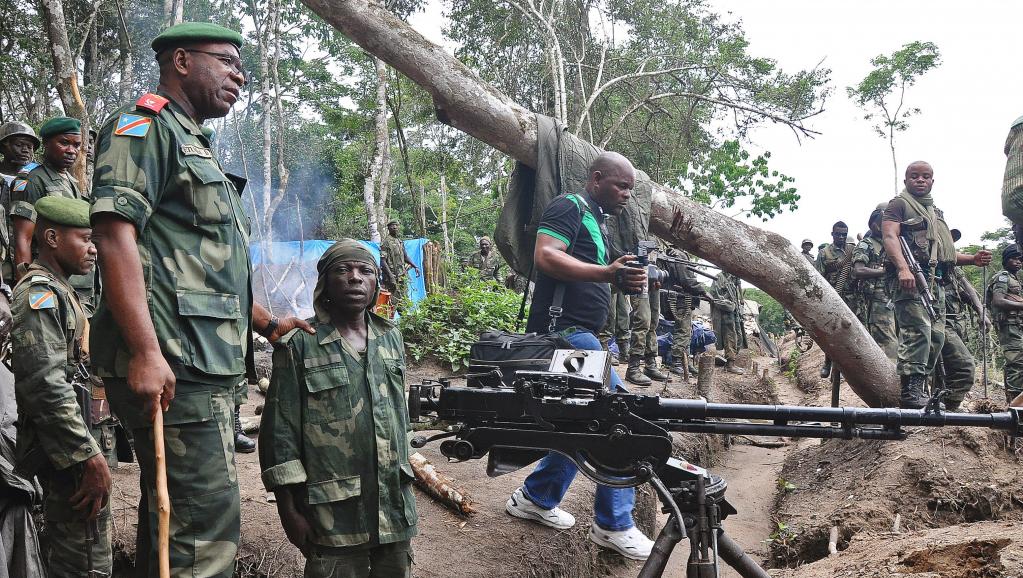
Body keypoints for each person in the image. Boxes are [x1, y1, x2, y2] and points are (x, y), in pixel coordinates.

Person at [89, 22, 312, 576]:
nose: (239, 76)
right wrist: (145, 351)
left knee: (174, 520)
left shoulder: (193, 143)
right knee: (203, 528)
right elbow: (116, 234)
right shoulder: (142, 127)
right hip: (173, 360)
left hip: (199, 358)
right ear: (182, 61)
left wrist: (265, 323)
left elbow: (204, 266)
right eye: (229, 61)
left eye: (243, 69)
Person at [504, 151, 653, 560]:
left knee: (582, 421)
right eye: (621, 185)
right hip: (565, 332)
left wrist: (621, 280)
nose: (626, 194)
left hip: (584, 334)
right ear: (596, 179)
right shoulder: (570, 205)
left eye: (630, 188)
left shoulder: (599, 221)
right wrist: (607, 273)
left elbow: (586, 273)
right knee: (623, 414)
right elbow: (547, 256)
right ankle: (614, 523)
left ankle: (535, 498)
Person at [260, 239, 417, 577]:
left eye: (365, 271)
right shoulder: (300, 344)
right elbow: (279, 433)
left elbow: (399, 419)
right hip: (333, 515)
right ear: (325, 284)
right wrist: (288, 510)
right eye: (342, 270)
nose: (355, 278)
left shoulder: (391, 337)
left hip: (394, 505)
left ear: (376, 283)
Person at [11, 196, 112, 576]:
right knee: (84, 564)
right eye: (86, 239)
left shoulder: (64, 291)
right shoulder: (39, 294)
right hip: (69, 456)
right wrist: (87, 455)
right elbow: (46, 384)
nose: (94, 250)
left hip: (78, 446)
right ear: (51, 237)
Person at [882, 161, 991, 409]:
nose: (920, 180)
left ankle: (926, 392)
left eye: (926, 177)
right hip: (911, 282)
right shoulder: (899, 204)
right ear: (906, 180)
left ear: (933, 181)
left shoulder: (935, 212)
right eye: (914, 176)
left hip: (936, 283)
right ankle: (911, 392)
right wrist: (902, 268)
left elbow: (944, 253)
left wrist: (972, 260)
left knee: (937, 337)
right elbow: (889, 236)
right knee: (917, 332)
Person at [9, 118, 95, 312]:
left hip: (76, 280)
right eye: (64, 143)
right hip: (50, 280)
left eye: (76, 145)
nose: (72, 150)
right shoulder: (32, 180)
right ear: (46, 143)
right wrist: (26, 286)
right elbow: (23, 238)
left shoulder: (71, 180)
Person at [850, 204, 897, 360]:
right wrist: (881, 271)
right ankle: (891, 379)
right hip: (876, 300)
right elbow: (858, 270)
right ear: (875, 225)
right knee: (886, 341)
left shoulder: (894, 244)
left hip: (895, 297)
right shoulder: (866, 244)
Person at [661, 246, 710, 381]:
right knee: (683, 330)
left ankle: (684, 361)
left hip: (680, 297)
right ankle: (677, 361)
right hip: (680, 298)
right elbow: (687, 279)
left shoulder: (677, 254)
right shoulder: (679, 255)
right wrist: (703, 291)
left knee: (686, 331)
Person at [0, 121, 39, 283]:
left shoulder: (36, 180)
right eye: (20, 145)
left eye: (30, 147)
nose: (25, 150)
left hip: (29, 263)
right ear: (3, 146)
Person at [816, 221, 855, 378]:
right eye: (838, 234)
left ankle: (849, 367)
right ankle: (827, 362)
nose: (841, 237)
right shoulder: (824, 253)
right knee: (831, 332)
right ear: (832, 234)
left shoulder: (852, 250)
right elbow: (818, 278)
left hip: (851, 298)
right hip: (832, 298)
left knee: (851, 333)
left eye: (844, 234)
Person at [625, 239, 666, 386]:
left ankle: (650, 364)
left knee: (654, 321)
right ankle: (633, 367)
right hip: (638, 271)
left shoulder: (660, 236)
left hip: (653, 276)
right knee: (643, 320)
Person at [987, 244, 1023, 404]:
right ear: (1006, 260)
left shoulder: (1015, 279)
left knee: (1016, 362)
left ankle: (1014, 401)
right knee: (1016, 362)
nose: (1018, 262)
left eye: (1020, 259)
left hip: (1016, 325)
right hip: (1009, 326)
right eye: (1014, 259)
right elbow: (998, 300)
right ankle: (1016, 405)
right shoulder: (1002, 277)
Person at [709, 270, 746, 374]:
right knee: (730, 337)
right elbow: (715, 297)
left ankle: (730, 362)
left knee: (738, 337)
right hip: (726, 313)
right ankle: (730, 364)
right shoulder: (719, 277)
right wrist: (728, 303)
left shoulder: (734, 278)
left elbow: (737, 296)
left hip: (735, 312)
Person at [380, 220, 419, 311]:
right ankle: (389, 323)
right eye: (392, 226)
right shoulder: (386, 242)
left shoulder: (399, 241)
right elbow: (382, 261)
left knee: (403, 300)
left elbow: (405, 257)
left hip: (402, 276)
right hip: (392, 278)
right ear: (388, 228)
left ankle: (405, 322)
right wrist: (391, 277)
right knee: (392, 302)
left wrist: (415, 266)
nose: (395, 227)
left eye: (396, 225)